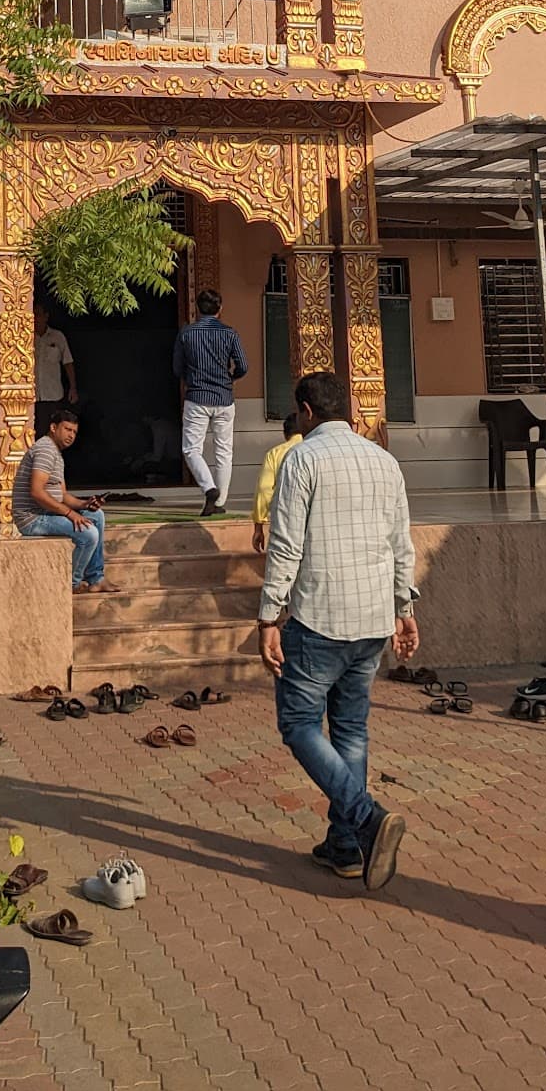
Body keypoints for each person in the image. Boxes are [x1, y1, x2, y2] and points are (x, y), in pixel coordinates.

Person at [258, 370, 420, 893]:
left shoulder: (301, 459)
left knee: (299, 724)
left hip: (320, 617)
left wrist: (268, 617)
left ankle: (365, 818)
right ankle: (346, 846)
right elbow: (401, 541)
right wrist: (404, 606)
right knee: (350, 729)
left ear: (306, 411)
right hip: (372, 617)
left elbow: (285, 545)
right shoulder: (383, 460)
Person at [11, 407, 117, 593]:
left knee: (97, 515)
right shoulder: (45, 450)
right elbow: (37, 492)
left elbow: (63, 495)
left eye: (74, 432)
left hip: (46, 512)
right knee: (88, 534)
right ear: (53, 427)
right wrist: (70, 513)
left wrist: (84, 504)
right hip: (32, 518)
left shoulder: (56, 453)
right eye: (67, 429)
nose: (71, 435)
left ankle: (95, 578)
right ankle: (71, 583)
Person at [173, 288, 248, 518]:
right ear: (220, 309)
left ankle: (209, 488)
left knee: (191, 449)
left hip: (196, 397)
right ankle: (220, 500)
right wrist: (229, 379)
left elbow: (177, 368)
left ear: (197, 308)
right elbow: (243, 366)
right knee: (224, 451)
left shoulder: (186, 333)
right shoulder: (230, 333)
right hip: (224, 398)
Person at [251, 411, 303, 555]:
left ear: (285, 434)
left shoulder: (275, 454)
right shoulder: (316, 450)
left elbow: (264, 489)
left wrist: (258, 525)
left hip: (284, 519)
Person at [33, 302, 77, 438]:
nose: (35, 318)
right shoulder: (24, 337)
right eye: (32, 314)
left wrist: (73, 388)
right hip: (31, 395)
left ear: (46, 316)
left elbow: (68, 362)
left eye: (38, 315)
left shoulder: (58, 337)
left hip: (53, 395)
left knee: (53, 434)